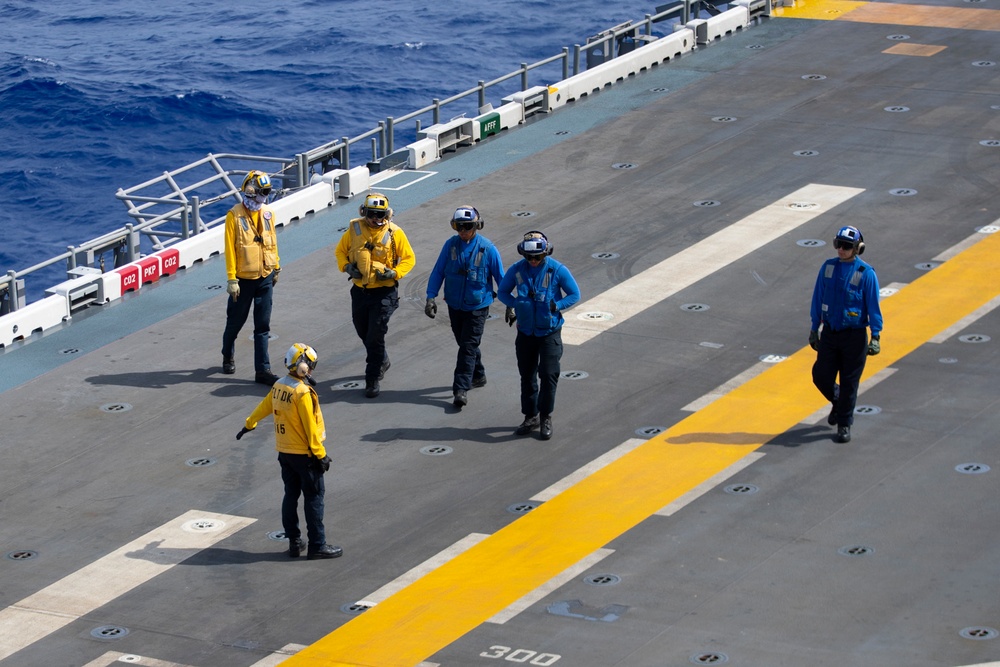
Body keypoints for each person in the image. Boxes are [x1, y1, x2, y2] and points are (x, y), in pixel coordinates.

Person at [237, 344, 342, 560]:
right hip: (305, 455)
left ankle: (294, 542)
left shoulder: (279, 386)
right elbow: (310, 428)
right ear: (303, 366)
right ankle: (317, 545)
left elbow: (264, 407)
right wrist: (320, 454)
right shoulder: (302, 392)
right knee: (314, 497)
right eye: (311, 366)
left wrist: (249, 424)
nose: (312, 370)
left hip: (285, 453)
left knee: (290, 495)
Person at [497, 231, 580, 440]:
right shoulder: (517, 270)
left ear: (545, 254)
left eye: (537, 257)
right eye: (529, 257)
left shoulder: (557, 270)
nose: (533, 261)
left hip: (549, 333)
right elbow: (503, 292)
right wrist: (516, 304)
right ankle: (530, 416)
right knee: (527, 376)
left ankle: (545, 417)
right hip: (525, 333)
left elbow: (574, 294)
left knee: (549, 375)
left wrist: (558, 305)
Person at [425, 206, 508, 408]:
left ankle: (460, 389)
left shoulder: (488, 249)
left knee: (467, 347)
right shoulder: (450, 246)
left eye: (467, 227)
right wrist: (430, 297)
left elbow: (502, 279)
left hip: (478, 307)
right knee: (465, 344)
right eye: (459, 227)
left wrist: (510, 304)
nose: (463, 231)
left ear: (477, 226)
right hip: (455, 305)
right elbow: (438, 272)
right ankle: (478, 374)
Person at [335, 192, 416, 398]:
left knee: (375, 334)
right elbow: (340, 251)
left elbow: (408, 258)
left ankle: (371, 379)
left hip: (384, 293)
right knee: (363, 330)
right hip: (360, 292)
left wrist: (395, 273)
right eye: (372, 214)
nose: (375, 219)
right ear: (364, 213)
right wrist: (346, 267)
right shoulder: (354, 229)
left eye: (380, 215)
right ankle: (382, 359)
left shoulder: (395, 233)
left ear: (386, 215)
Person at [809, 225, 883, 444]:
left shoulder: (865, 273)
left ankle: (844, 425)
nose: (840, 250)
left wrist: (876, 335)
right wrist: (814, 328)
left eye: (846, 246)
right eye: (837, 245)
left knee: (850, 382)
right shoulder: (828, 268)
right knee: (820, 375)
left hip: (855, 335)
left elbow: (873, 306)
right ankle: (839, 402)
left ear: (857, 248)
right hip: (831, 333)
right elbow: (817, 298)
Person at [221, 170, 281, 385]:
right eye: (260, 194)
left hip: (265, 276)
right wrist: (231, 280)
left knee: (262, 326)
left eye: (265, 194)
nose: (262, 199)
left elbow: (272, 241)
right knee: (235, 323)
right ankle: (227, 354)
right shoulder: (234, 216)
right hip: (243, 281)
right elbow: (229, 249)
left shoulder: (268, 214)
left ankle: (262, 371)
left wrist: (277, 267)